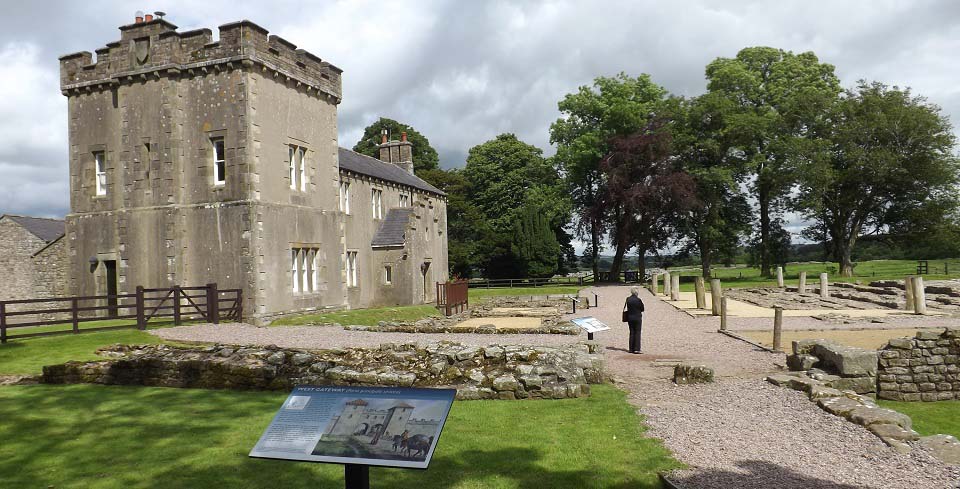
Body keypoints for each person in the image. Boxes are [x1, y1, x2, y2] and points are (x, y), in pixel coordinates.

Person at [624, 287, 645, 354]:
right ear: (636, 293)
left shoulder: (628, 299)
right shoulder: (638, 300)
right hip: (637, 317)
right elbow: (642, 309)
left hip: (630, 317)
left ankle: (631, 348)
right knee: (637, 332)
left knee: (632, 332)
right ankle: (637, 349)